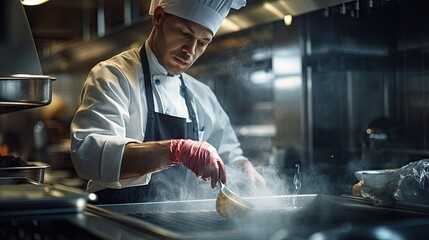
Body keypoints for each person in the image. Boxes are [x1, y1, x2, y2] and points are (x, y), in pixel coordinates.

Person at [70, 0, 265, 204]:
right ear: (159, 17)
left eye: (202, 42)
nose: (190, 51)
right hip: (115, 225)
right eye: (185, 33)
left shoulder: (201, 94)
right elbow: (89, 156)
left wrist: (243, 167)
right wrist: (175, 150)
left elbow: (229, 153)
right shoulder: (114, 76)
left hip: (177, 225)